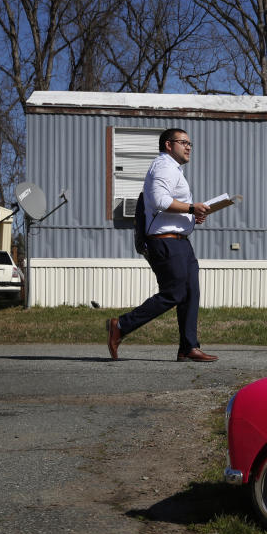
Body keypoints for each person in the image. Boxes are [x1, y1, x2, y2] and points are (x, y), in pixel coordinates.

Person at [106, 128, 218, 362]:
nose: (188, 147)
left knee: (190, 294)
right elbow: (160, 201)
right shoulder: (164, 166)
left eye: (190, 143)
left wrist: (192, 215)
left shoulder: (174, 170)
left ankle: (188, 347)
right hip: (165, 243)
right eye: (183, 142)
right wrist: (190, 208)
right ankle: (121, 325)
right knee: (174, 292)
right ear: (168, 145)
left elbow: (169, 205)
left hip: (181, 243)